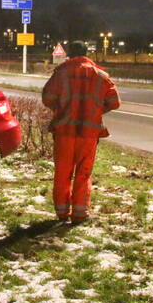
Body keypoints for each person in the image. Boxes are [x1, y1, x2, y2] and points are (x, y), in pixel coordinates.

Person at [42, 40, 120, 223]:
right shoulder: (101, 75)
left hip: (64, 131)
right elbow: (114, 101)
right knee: (84, 173)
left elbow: (47, 98)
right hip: (89, 133)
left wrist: (60, 109)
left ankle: (62, 212)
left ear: (69, 54)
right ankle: (79, 213)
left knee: (63, 172)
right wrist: (96, 111)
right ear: (87, 54)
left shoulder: (61, 74)